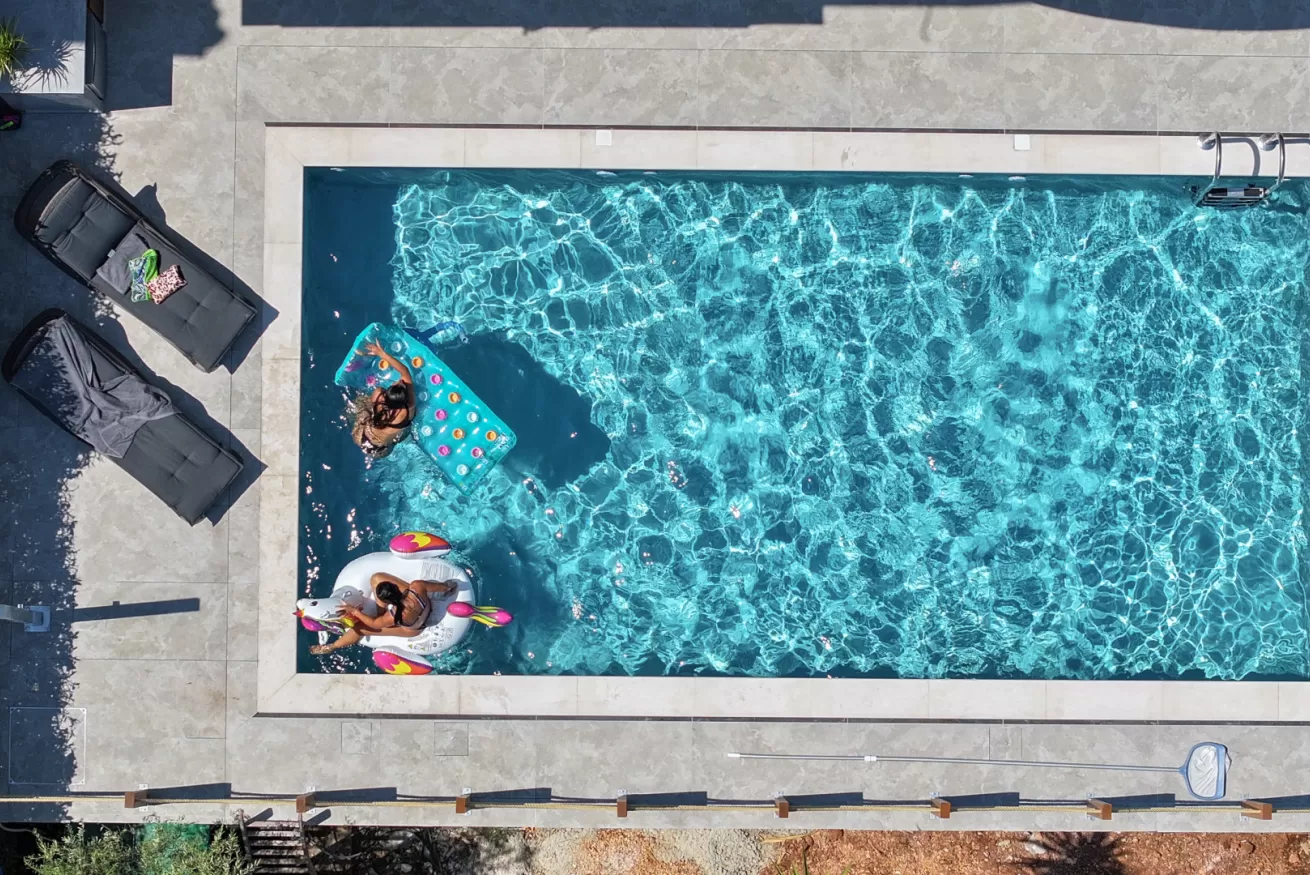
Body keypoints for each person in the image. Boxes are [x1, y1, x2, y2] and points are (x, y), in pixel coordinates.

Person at [310, 573, 458, 655]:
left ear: (388, 602)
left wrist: (354, 611)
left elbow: (374, 624)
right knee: (376, 578)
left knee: (360, 628)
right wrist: (448, 587)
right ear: (396, 587)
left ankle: (332, 647)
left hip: (413, 629)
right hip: (423, 607)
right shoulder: (417, 587)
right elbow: (446, 587)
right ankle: (379, 610)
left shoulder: (393, 615)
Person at [350, 341, 417, 459]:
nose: (400, 381)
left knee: (364, 403)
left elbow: (404, 372)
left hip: (361, 436)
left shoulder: (379, 397)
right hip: (380, 447)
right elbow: (405, 372)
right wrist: (382, 353)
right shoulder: (408, 409)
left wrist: (380, 353)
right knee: (400, 437)